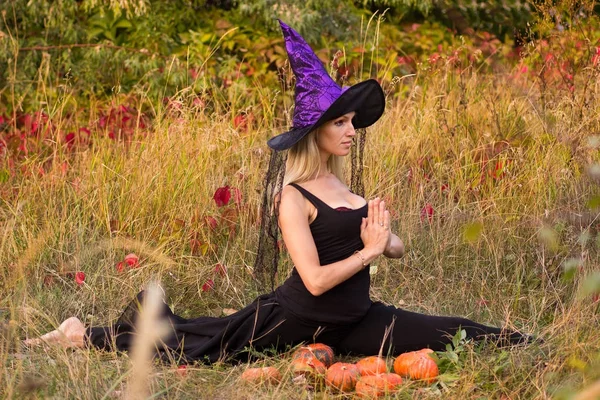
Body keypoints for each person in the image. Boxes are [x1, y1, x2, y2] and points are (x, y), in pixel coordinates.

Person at [24, 20, 531, 363]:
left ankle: (529, 343)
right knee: (196, 344)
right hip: (293, 319)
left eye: (354, 122)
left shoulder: (342, 184)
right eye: (343, 123)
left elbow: (387, 246)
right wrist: (370, 252)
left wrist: (387, 241)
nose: (353, 131)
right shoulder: (293, 196)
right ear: (318, 133)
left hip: (356, 322)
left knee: (451, 330)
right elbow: (312, 281)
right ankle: (80, 333)